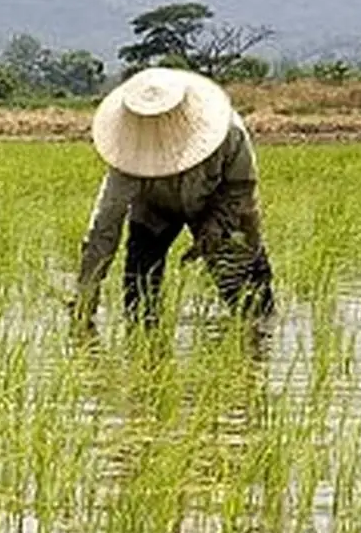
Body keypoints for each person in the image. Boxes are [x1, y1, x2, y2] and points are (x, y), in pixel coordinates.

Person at [71, 67, 275, 335]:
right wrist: (86, 295)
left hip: (216, 202)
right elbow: (104, 226)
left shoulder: (229, 132)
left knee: (248, 295)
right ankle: (145, 358)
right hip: (153, 210)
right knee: (140, 297)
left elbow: (241, 189)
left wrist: (213, 229)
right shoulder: (126, 153)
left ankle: (258, 346)